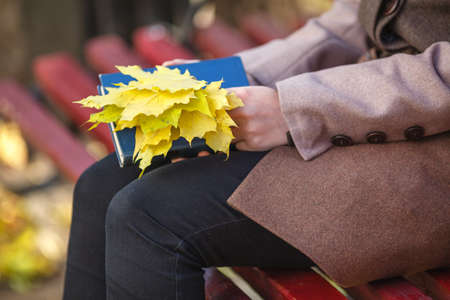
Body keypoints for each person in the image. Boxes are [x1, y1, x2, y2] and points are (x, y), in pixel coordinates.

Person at [63, 0, 450, 299]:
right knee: (104, 184)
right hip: (370, 104)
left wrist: (296, 108)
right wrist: (237, 75)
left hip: (434, 156)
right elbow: (351, 20)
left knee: (149, 216)